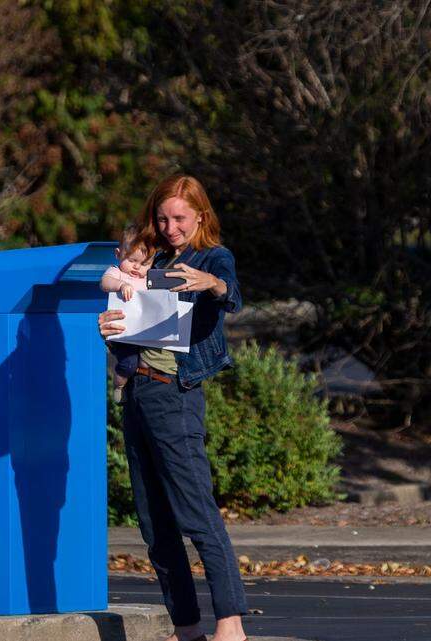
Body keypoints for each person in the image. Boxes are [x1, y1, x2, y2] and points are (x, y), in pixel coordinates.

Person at [98, 174, 248, 641]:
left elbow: (233, 297)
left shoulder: (213, 257)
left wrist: (212, 283)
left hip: (175, 394)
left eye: (179, 218)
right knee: (154, 523)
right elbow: (126, 309)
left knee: (195, 512)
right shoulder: (150, 255)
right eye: (162, 218)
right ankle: (186, 627)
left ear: (200, 216)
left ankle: (231, 625)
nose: (170, 227)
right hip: (137, 393)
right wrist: (110, 326)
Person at [99, 226, 153, 402]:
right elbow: (105, 282)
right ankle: (119, 386)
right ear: (118, 254)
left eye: (145, 263)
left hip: (144, 331)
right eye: (132, 260)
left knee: (147, 362)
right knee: (129, 364)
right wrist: (121, 286)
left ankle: (138, 388)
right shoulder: (117, 273)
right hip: (123, 331)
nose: (137, 267)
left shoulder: (147, 279)